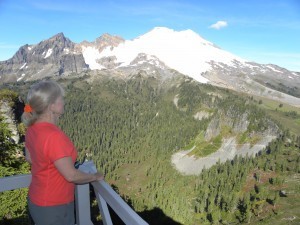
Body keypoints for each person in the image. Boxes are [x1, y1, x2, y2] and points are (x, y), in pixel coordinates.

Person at [22, 80, 104, 225]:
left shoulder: (32, 128)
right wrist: (94, 176)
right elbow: (71, 175)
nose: (64, 102)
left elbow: (30, 159)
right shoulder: (54, 136)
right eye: (61, 99)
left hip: (37, 199)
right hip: (55, 206)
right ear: (52, 106)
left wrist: (50, 168)